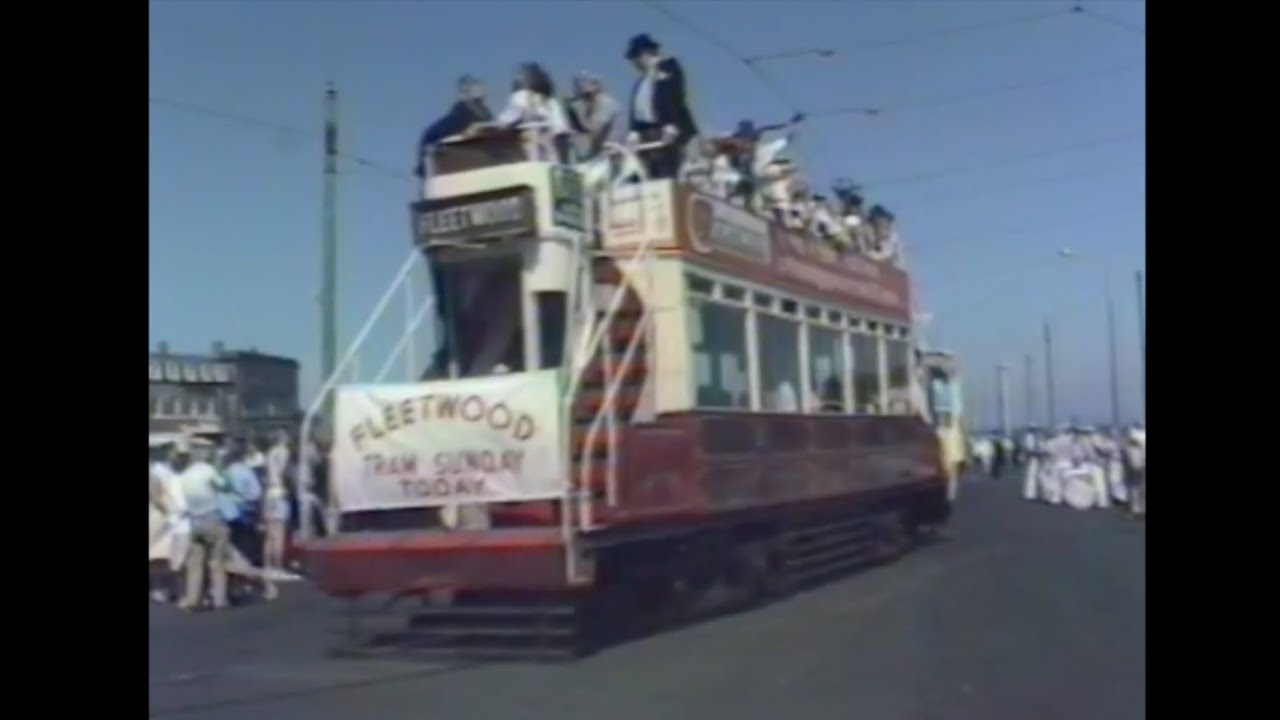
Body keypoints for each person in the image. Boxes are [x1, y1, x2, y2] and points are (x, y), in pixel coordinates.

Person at [624, 33, 699, 179]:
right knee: (649, 174)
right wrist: (634, 131)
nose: (634, 63)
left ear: (645, 54)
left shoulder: (669, 67)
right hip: (647, 135)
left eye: (635, 57)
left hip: (667, 130)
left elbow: (673, 95)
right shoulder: (640, 83)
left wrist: (671, 124)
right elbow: (637, 109)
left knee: (668, 172)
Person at [174, 440, 232, 611]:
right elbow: (225, 486)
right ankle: (220, 599)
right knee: (216, 561)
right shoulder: (208, 470)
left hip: (194, 520)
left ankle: (193, 599)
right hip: (211, 517)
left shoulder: (184, 476)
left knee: (195, 563)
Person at [481, 62, 572, 163]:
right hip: (551, 149)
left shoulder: (522, 97)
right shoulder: (553, 103)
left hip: (533, 147)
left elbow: (505, 121)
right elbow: (562, 130)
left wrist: (482, 127)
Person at [414, 74, 494, 177]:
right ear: (465, 92)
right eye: (475, 86)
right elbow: (430, 136)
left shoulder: (485, 113)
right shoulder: (460, 115)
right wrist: (424, 166)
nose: (480, 90)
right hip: (462, 169)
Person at [261, 430, 292, 600]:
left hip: (269, 492)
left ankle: (268, 564)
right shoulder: (283, 452)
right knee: (279, 531)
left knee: (270, 533)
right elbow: (284, 472)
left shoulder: (269, 453)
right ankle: (279, 565)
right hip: (279, 491)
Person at [565, 72, 623, 162]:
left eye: (582, 84)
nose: (578, 88)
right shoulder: (591, 107)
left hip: (612, 154)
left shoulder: (606, 103)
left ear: (595, 86)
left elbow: (596, 131)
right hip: (600, 154)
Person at [1123, 426, 1145, 517]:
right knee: (1140, 487)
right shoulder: (1140, 435)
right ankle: (1141, 508)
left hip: (1136, 465)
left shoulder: (1133, 435)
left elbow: (1128, 449)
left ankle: (1136, 509)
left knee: (1135, 487)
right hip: (1140, 463)